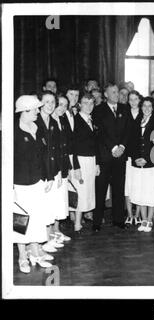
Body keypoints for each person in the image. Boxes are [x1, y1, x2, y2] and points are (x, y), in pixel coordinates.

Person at [14, 95, 52, 273]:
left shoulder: (38, 128)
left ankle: (35, 251)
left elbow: (44, 155)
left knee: (37, 217)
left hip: (38, 181)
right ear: (25, 111)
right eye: (35, 109)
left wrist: (48, 177)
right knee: (20, 220)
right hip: (19, 184)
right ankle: (22, 256)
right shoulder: (13, 130)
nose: (38, 111)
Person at [93, 82, 130, 232]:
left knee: (118, 189)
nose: (117, 95)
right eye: (113, 92)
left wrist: (122, 146)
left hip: (120, 156)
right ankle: (97, 222)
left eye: (117, 92)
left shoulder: (124, 109)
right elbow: (100, 132)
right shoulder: (98, 110)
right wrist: (114, 147)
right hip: (105, 156)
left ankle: (118, 220)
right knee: (100, 190)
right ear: (106, 94)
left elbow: (128, 130)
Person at [35, 91, 66, 252]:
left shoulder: (52, 122)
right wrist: (47, 176)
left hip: (52, 171)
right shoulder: (35, 121)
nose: (50, 105)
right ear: (40, 103)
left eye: (52, 102)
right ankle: (41, 243)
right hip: (40, 173)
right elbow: (39, 154)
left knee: (49, 208)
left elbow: (55, 150)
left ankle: (47, 239)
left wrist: (58, 172)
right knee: (41, 209)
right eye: (47, 102)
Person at [127, 97, 154, 232]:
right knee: (140, 192)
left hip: (151, 164)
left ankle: (149, 220)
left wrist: (146, 158)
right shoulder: (136, 122)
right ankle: (143, 219)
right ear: (141, 107)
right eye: (144, 106)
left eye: (149, 106)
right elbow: (131, 142)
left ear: (153, 108)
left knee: (150, 192)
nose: (146, 108)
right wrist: (136, 158)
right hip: (137, 163)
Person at [71, 93, 99, 233]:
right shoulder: (75, 120)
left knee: (87, 191)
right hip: (80, 160)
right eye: (85, 103)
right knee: (80, 191)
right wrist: (76, 166)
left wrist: (97, 163)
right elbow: (73, 145)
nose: (89, 106)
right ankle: (77, 222)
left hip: (91, 160)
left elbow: (96, 144)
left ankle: (79, 220)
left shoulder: (91, 120)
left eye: (91, 103)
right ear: (79, 104)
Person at [51, 94, 76, 242]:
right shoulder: (48, 121)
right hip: (54, 169)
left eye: (65, 106)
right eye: (60, 104)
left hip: (63, 167)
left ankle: (56, 230)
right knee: (53, 201)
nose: (62, 108)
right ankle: (51, 234)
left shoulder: (61, 120)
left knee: (60, 201)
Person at [124, 90, 143, 226]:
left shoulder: (144, 113)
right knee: (128, 185)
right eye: (131, 99)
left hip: (140, 155)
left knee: (140, 185)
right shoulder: (124, 113)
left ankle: (138, 215)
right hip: (127, 155)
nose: (133, 102)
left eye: (136, 99)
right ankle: (130, 215)